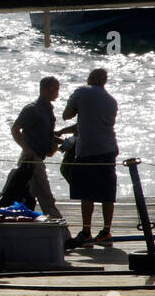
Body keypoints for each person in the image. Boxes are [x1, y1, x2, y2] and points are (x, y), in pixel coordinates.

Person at [63, 68, 118, 248]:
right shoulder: (112, 101)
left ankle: (86, 231)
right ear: (105, 81)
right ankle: (106, 230)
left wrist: (77, 108)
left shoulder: (81, 91)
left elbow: (67, 115)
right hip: (109, 148)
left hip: (87, 150)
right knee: (106, 192)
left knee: (86, 193)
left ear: (91, 78)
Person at [10, 76, 71, 235]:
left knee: (27, 197)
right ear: (44, 89)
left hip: (39, 158)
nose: (57, 92)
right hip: (31, 159)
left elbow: (46, 135)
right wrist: (25, 148)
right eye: (54, 89)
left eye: (58, 89)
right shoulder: (32, 109)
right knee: (46, 198)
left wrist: (62, 142)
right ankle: (64, 236)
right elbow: (15, 129)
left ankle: (27, 233)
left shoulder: (48, 109)